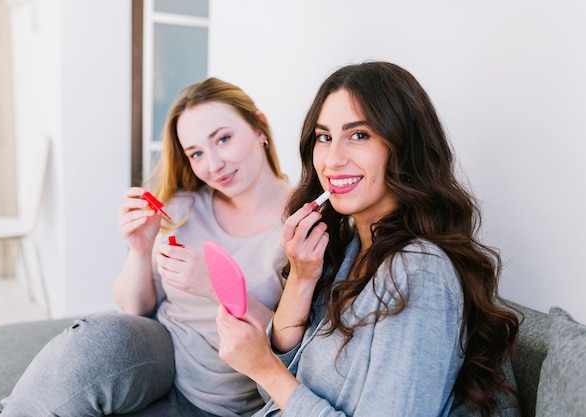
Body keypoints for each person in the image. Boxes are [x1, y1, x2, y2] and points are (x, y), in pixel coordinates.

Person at [215, 61, 521, 417]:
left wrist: (263, 366)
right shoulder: (350, 249)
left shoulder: (419, 271)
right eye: (324, 137)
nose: (333, 159)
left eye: (359, 135)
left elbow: (273, 382)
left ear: (403, 147)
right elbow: (280, 391)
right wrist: (300, 278)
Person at [0, 77, 292, 417]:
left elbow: (297, 348)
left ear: (260, 128)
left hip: (232, 399)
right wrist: (139, 249)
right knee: (95, 341)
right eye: (195, 153)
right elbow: (135, 308)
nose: (212, 165)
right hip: (158, 360)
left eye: (223, 139)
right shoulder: (184, 207)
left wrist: (214, 286)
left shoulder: (299, 230)